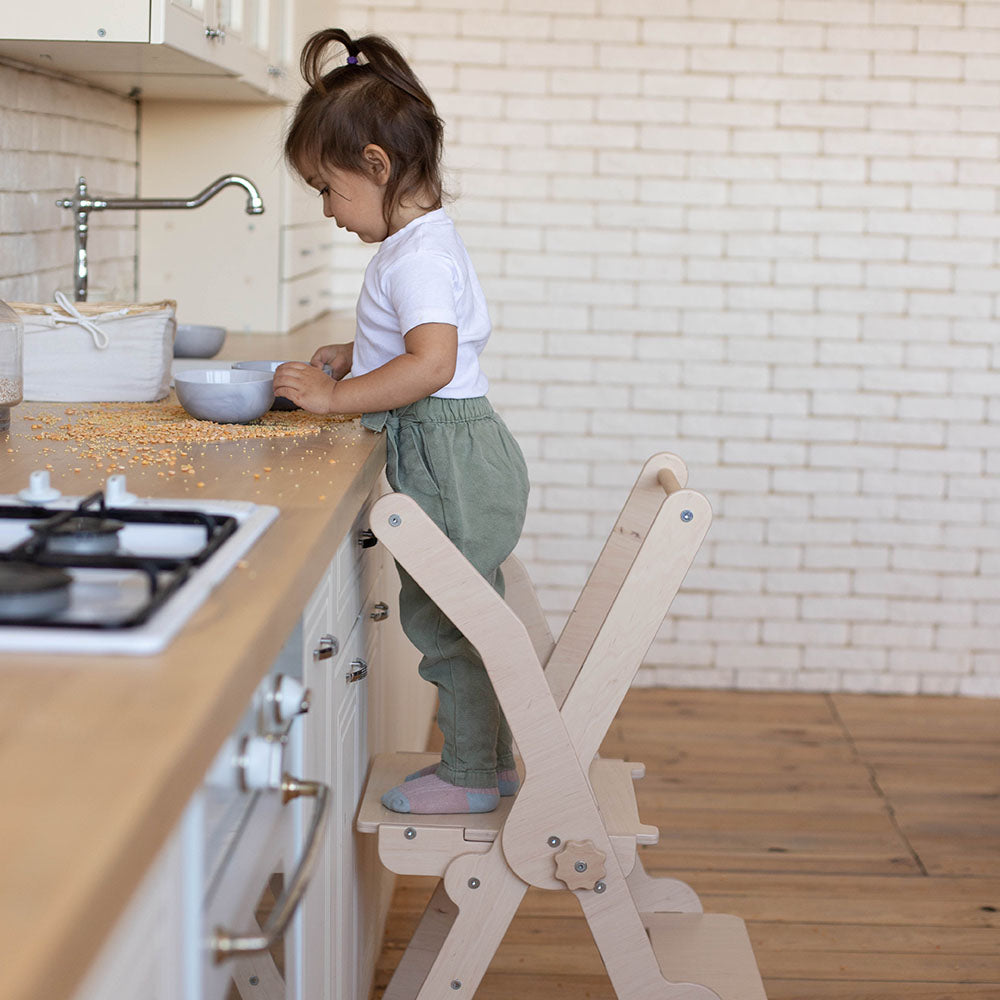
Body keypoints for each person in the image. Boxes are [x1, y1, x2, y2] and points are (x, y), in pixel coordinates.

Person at [273, 29, 529, 815]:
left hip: (448, 456)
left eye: (327, 187)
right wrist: (360, 352)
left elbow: (432, 364)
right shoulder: (417, 244)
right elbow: (419, 342)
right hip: (457, 449)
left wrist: (331, 398)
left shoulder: (415, 255)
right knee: (468, 608)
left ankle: (470, 777)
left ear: (376, 164)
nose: (326, 209)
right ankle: (491, 761)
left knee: (447, 618)